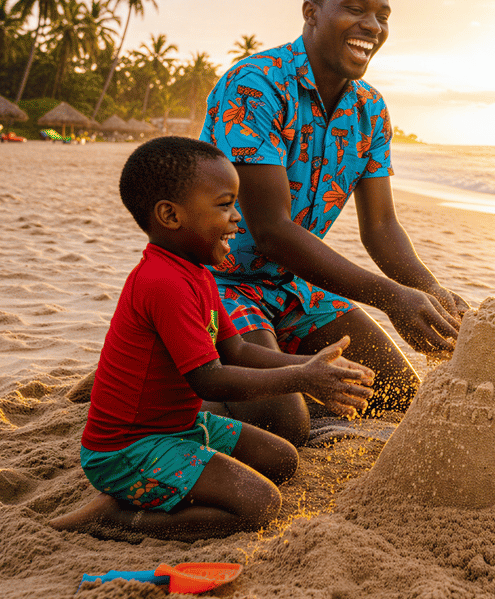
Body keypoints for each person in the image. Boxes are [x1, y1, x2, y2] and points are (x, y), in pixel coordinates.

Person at [50, 137, 375, 540]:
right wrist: (301, 380)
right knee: (260, 504)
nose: (237, 217)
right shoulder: (163, 282)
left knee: (281, 459)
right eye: (224, 205)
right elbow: (210, 379)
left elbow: (236, 350)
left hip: (177, 427)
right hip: (126, 450)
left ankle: (154, 491)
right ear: (170, 215)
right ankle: (114, 518)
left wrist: (311, 367)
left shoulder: (199, 273)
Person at [200, 0, 467, 445]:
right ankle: (175, 367)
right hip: (218, 282)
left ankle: (267, 359)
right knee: (282, 426)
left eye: (383, 15)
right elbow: (272, 229)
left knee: (396, 396)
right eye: (355, 8)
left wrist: (430, 292)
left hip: (294, 286)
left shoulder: (371, 109)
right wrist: (390, 297)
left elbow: (381, 228)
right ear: (312, 13)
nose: (372, 25)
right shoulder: (255, 85)